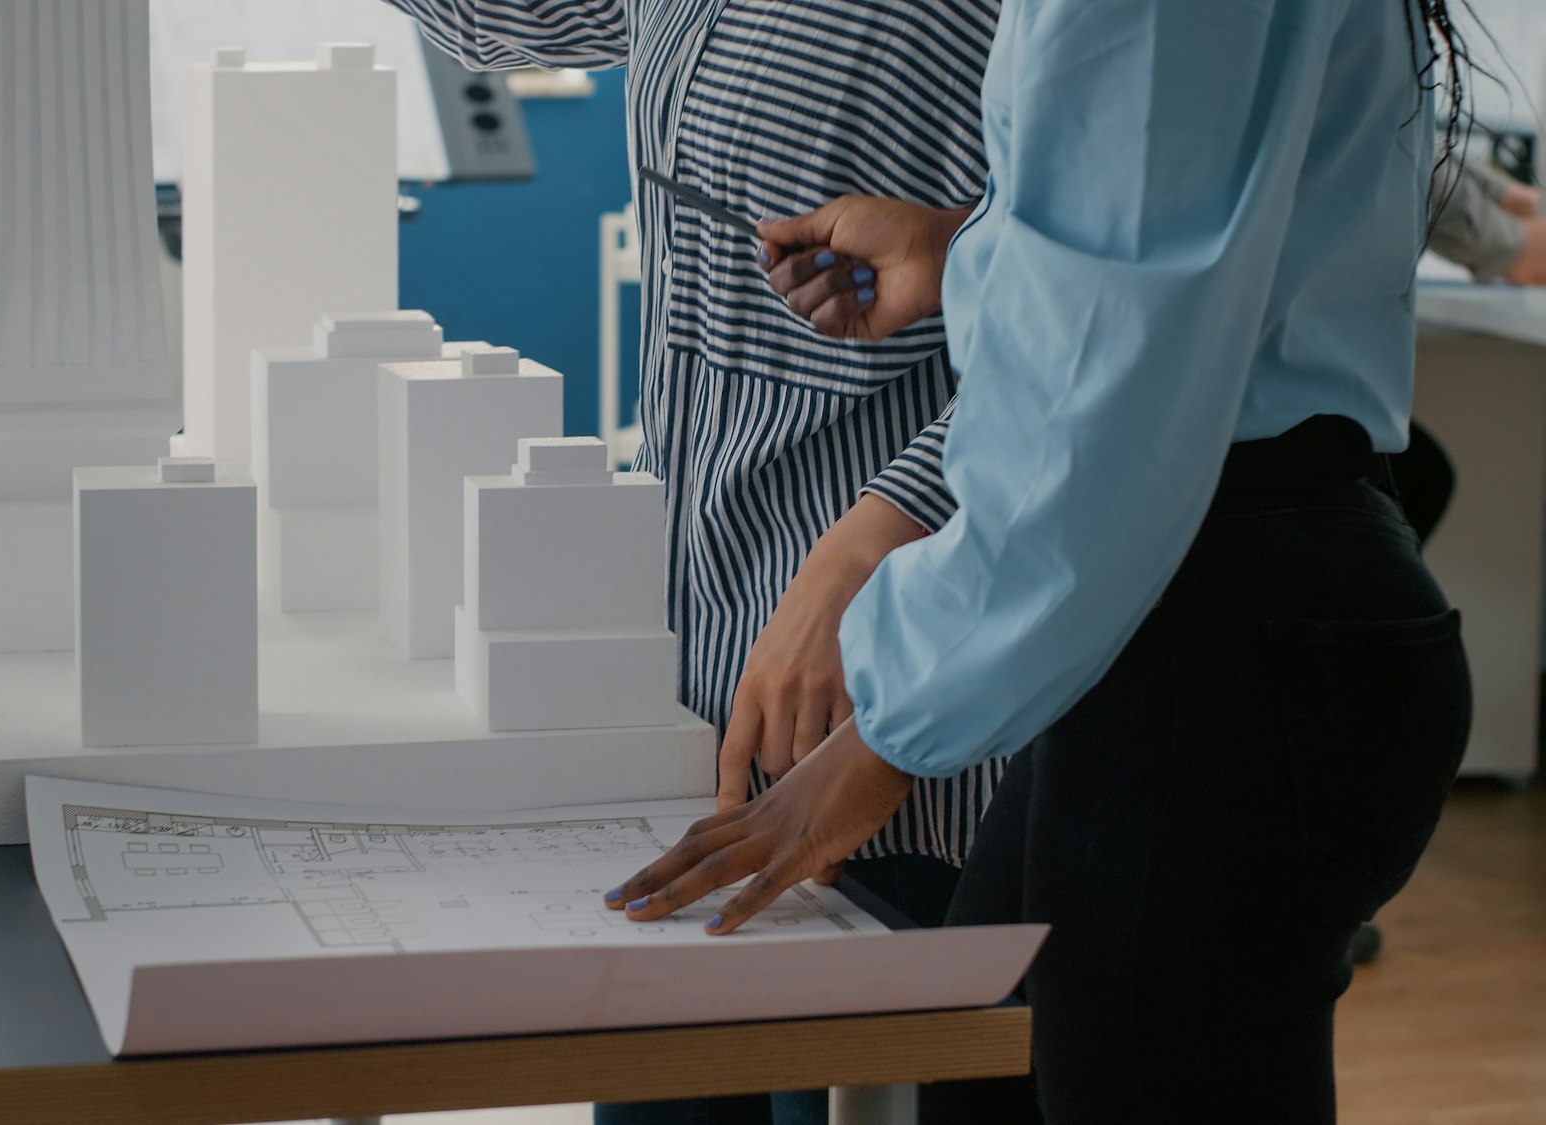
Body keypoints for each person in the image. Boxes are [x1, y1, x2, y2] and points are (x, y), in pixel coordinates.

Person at [606, 1, 1474, 1121]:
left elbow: (1100, 403)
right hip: (1217, 603)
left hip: (1220, 625)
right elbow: (1190, 245)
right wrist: (963, 249)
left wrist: (887, 730)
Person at [380, 3, 1004, 1124]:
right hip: (701, 697)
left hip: (889, 714)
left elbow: (1103, 323)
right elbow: (500, 19)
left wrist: (877, 540)